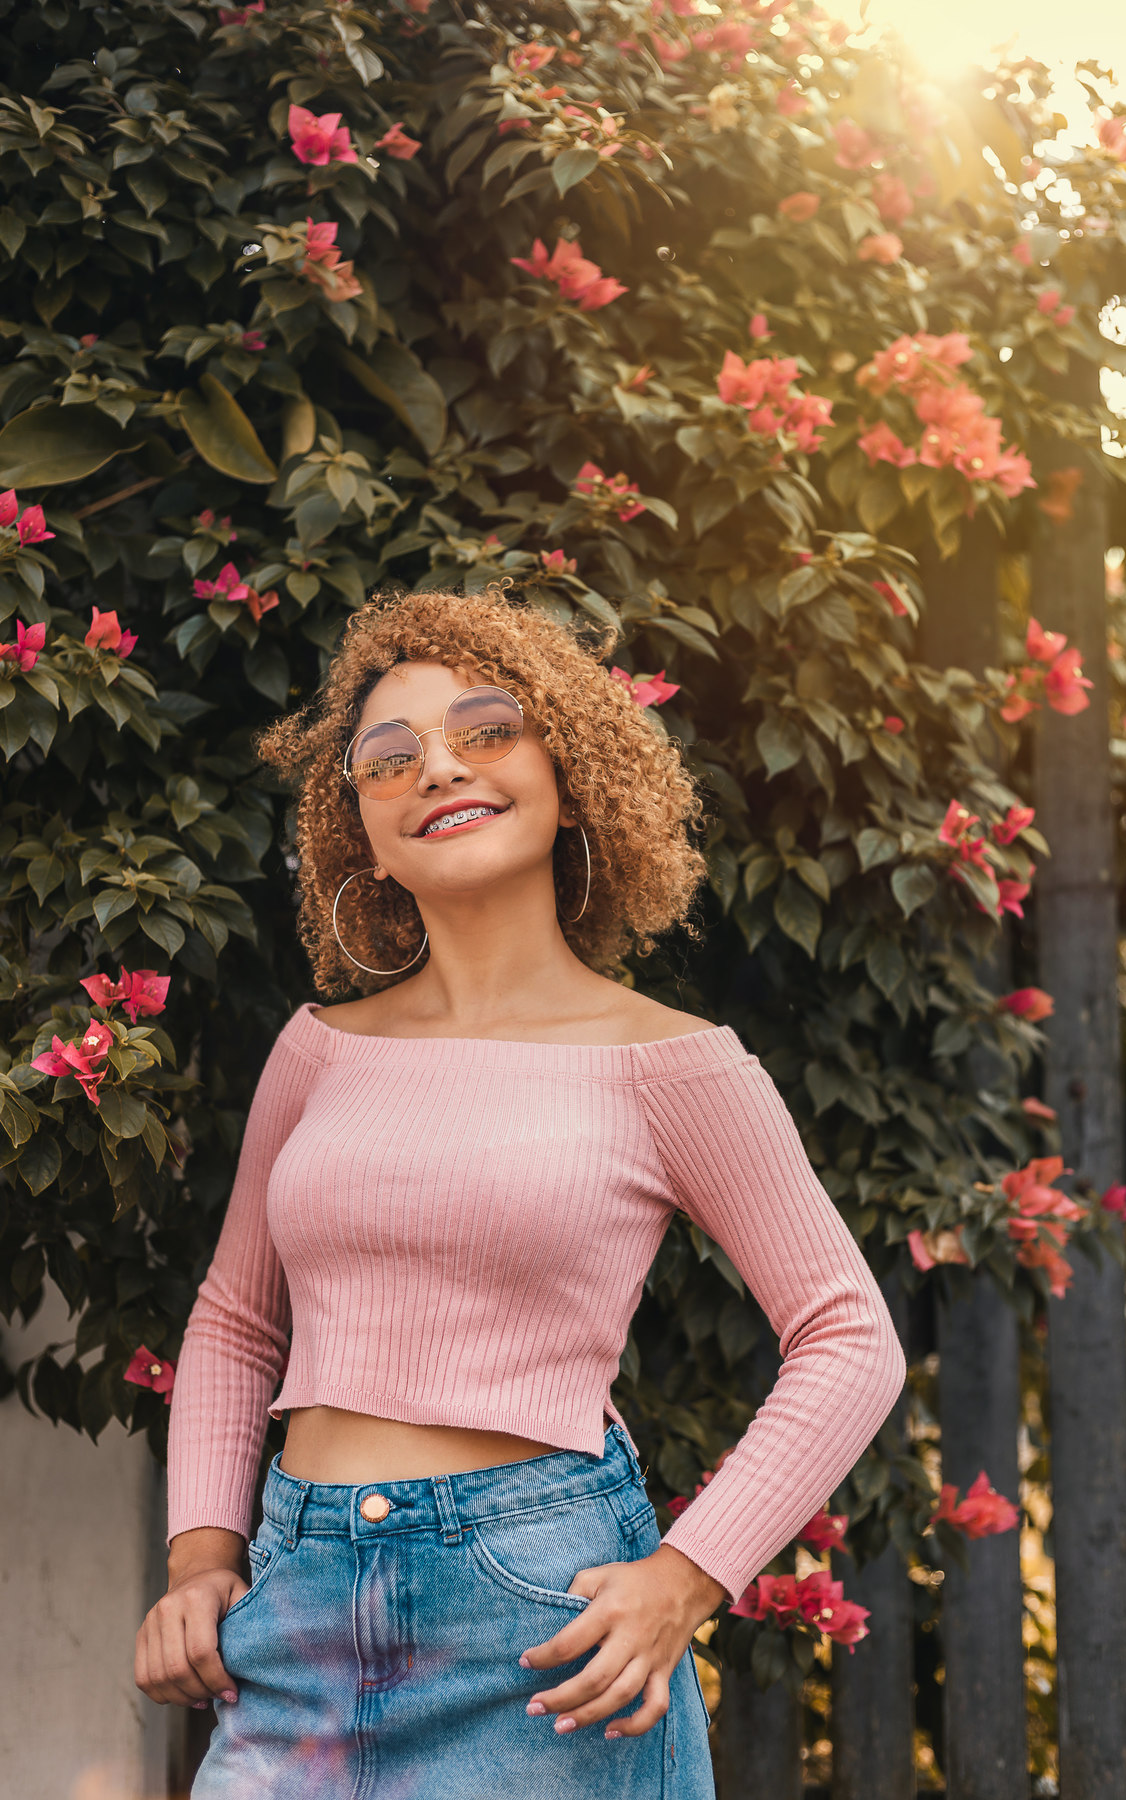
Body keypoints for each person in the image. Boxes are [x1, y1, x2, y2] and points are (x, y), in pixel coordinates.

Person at [135, 583, 907, 1798]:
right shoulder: (317, 1050)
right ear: (362, 834)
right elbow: (237, 1321)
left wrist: (687, 1576)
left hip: (539, 1626)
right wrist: (199, 1560)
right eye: (388, 760)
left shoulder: (673, 1064)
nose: (437, 768)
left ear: (568, 774)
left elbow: (850, 1336)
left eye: (486, 732)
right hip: (294, 1615)